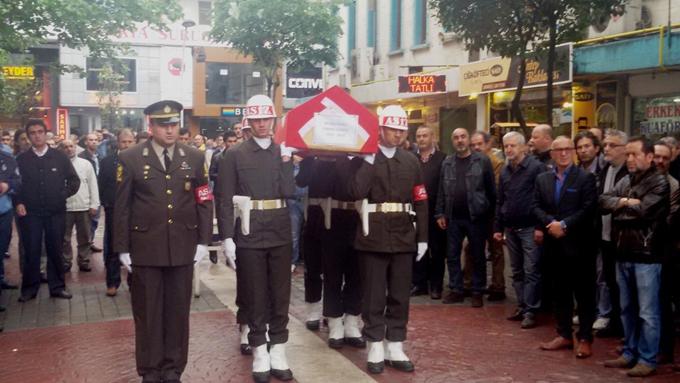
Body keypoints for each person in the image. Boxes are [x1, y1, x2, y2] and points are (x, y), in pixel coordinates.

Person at [113, 100, 213, 383]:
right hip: (145, 247)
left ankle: (173, 368)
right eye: (163, 125)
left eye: (173, 124)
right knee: (147, 313)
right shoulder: (130, 157)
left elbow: (203, 198)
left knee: (178, 312)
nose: (169, 131)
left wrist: (204, 240)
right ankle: (150, 369)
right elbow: (121, 206)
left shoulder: (193, 157)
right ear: (151, 126)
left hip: (182, 246)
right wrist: (122, 248)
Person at [218, 94, 296, 382]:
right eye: (257, 119)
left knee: (280, 292)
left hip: (279, 229)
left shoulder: (282, 151)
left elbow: (289, 191)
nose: (262, 124)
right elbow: (224, 197)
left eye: (267, 118)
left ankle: (279, 347)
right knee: (254, 292)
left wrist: (287, 160)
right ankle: (260, 348)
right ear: (249, 122)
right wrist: (227, 237)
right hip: (249, 231)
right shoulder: (235, 154)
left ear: (274, 120)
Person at [349, 105, 428, 374]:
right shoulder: (364, 159)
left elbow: (420, 199)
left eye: (402, 129)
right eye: (393, 129)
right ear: (380, 130)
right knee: (373, 294)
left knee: (399, 293)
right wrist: (369, 161)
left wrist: (423, 238)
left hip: (404, 233)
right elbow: (357, 190)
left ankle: (395, 343)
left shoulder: (411, 161)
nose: (398, 134)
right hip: (373, 234)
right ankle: (374, 344)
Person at [600, 136, 670, 377]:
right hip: (623, 252)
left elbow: (645, 213)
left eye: (634, 154)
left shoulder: (660, 182)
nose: (629, 159)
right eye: (627, 154)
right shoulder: (626, 180)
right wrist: (626, 202)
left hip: (647, 256)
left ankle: (647, 358)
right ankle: (629, 352)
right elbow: (602, 202)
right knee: (627, 308)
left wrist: (619, 209)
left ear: (649, 157)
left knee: (648, 313)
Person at [534, 136, 597, 359]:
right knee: (560, 292)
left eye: (567, 149)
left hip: (579, 246)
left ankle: (585, 338)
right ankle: (563, 334)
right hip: (554, 245)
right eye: (558, 150)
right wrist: (550, 223)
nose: (563, 153)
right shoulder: (542, 179)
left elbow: (589, 209)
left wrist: (565, 225)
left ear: (573, 152)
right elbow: (536, 205)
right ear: (551, 153)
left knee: (584, 294)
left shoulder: (585, 178)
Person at [296, 155, 364, 348]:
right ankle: (323, 314)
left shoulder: (360, 160)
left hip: (355, 219)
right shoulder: (318, 158)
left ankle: (351, 322)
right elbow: (302, 180)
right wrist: (308, 157)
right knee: (322, 270)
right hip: (323, 218)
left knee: (355, 275)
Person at [15, 119, 80, 302]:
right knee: (31, 251)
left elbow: (74, 181)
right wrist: (18, 202)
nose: (37, 135)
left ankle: (58, 287)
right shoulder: (22, 159)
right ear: (28, 137)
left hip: (56, 212)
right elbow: (16, 184)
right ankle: (29, 288)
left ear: (45, 133)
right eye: (33, 133)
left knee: (55, 250)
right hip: (31, 214)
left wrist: (62, 195)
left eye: (40, 131)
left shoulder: (60, 157)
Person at [435, 128, 496, 307]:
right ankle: (456, 289)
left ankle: (477, 290)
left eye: (463, 137)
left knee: (478, 255)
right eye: (456, 138)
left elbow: (491, 190)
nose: (460, 140)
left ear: (468, 139)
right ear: (452, 141)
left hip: (476, 217)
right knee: (452, 255)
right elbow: (441, 190)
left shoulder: (482, 161)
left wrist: (490, 215)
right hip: (453, 217)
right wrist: (440, 212)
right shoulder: (447, 163)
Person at [493, 131, 546, 329]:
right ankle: (522, 305)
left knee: (531, 270)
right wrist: (498, 226)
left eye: (513, 146)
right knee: (516, 270)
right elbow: (501, 200)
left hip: (530, 227)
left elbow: (543, 198)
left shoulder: (536, 168)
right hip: (511, 227)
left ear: (523, 147)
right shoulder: (506, 171)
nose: (509, 149)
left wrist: (541, 226)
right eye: (506, 146)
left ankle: (532, 310)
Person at [596, 129, 629, 338]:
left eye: (612, 145)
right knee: (610, 280)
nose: (606, 149)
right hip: (605, 235)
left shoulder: (628, 173)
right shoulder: (606, 168)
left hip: (623, 237)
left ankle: (624, 326)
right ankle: (614, 321)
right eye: (605, 144)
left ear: (625, 149)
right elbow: (602, 201)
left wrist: (615, 202)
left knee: (622, 283)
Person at [465, 131, 505, 301]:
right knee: (471, 248)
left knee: (495, 249)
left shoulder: (496, 163)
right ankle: (469, 283)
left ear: (488, 144)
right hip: (476, 214)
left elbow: (495, 190)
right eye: (473, 145)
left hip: (492, 214)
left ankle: (498, 286)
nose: (476, 148)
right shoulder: (471, 161)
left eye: (479, 144)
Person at [410, 125, 446, 299]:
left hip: (435, 212)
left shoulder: (443, 159)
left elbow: (445, 187)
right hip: (416, 212)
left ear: (433, 137)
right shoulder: (411, 159)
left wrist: (441, 211)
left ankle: (436, 286)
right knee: (418, 248)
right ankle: (420, 283)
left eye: (425, 135)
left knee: (437, 249)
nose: (421, 139)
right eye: (418, 136)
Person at [98, 128, 135, 297]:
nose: (126, 145)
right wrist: (106, 204)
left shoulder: (143, 161)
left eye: (130, 141)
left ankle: (134, 282)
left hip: (136, 211)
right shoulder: (107, 162)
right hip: (114, 211)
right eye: (123, 142)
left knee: (136, 247)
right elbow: (102, 186)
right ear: (117, 143)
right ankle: (112, 282)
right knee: (113, 246)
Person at [652, 140, 679, 364]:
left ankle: (665, 349)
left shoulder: (674, 186)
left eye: (665, 158)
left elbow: (666, 222)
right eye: (657, 156)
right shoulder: (637, 180)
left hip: (665, 252)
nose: (660, 161)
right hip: (641, 251)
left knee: (663, 301)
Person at [60, 139, 99, 272]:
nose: (69, 149)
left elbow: (93, 185)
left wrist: (94, 204)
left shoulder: (86, 164)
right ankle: (66, 261)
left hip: (84, 206)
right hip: (65, 208)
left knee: (85, 237)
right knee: (64, 238)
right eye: (65, 147)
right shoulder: (58, 164)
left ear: (75, 147)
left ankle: (84, 260)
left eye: (71, 146)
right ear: (62, 149)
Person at [0, 147, 20, 310]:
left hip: (4, 211)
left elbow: (17, 180)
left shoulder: (7, 157)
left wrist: (8, 186)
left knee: (1, 248)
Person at [79, 133, 102, 252]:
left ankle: (90, 241)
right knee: (87, 222)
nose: (94, 142)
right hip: (87, 193)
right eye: (91, 140)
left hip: (98, 191)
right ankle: (85, 245)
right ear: (85, 142)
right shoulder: (82, 157)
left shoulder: (99, 156)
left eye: (96, 140)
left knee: (95, 220)